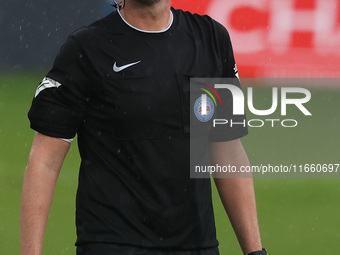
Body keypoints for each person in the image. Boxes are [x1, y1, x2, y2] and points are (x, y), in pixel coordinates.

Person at [20, 0, 266, 255]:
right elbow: (44, 161)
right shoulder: (87, 48)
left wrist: (254, 251)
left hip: (197, 247)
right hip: (112, 246)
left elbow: (227, 151)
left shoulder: (211, 39)